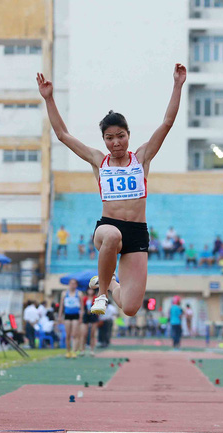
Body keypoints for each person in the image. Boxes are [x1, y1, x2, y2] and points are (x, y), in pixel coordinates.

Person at [37, 63, 186, 317]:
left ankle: (109, 281)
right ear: (104, 140)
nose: (115, 142)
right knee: (113, 235)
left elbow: (167, 123)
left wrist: (177, 85)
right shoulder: (99, 161)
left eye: (120, 136)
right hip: (107, 229)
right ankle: (102, 295)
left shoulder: (142, 158)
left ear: (128, 135)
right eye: (109, 137)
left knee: (129, 307)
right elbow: (62, 135)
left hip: (137, 234)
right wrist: (49, 98)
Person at [58, 280, 83, 358]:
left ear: (76, 285)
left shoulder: (79, 294)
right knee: (68, 335)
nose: (72, 285)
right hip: (67, 315)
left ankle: (74, 351)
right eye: (71, 283)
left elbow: (82, 307)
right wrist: (59, 316)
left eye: (74, 283)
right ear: (69, 284)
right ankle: (68, 351)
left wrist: (81, 317)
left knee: (75, 334)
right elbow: (61, 306)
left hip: (75, 315)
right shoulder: (64, 293)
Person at [81, 288, 99, 355]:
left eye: (92, 290)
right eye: (89, 290)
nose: (90, 291)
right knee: (84, 334)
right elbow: (82, 307)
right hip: (86, 316)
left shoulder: (95, 298)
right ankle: (82, 350)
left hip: (93, 315)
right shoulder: (85, 298)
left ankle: (92, 350)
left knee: (92, 334)